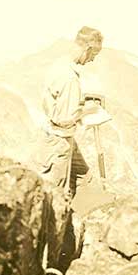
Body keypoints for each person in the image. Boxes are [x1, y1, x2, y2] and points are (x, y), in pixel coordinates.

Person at [35, 26, 103, 197]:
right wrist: (87, 112)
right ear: (87, 49)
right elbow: (64, 118)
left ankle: (88, 211)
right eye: (94, 55)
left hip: (59, 137)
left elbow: (56, 99)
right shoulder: (70, 78)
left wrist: (78, 104)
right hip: (59, 141)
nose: (92, 60)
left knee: (85, 177)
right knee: (54, 194)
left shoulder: (60, 64)